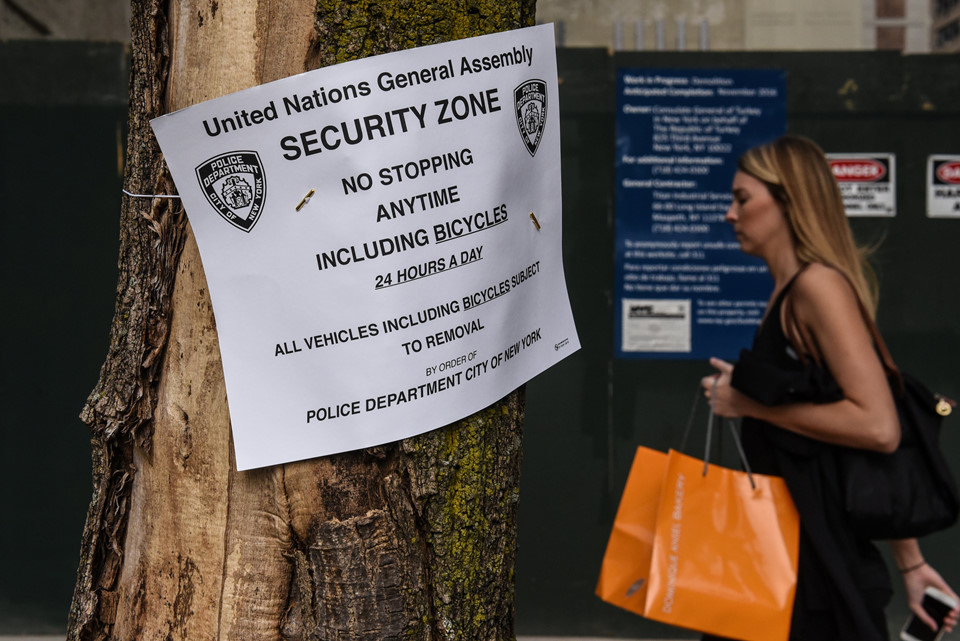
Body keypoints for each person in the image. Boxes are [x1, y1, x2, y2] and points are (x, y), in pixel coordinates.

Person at [700, 134, 960, 641]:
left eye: (742, 199)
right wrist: (911, 564)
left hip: (815, 567)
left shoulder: (816, 287)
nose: (730, 214)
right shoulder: (789, 293)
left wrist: (752, 405)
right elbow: (858, 444)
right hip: (785, 555)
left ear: (789, 202)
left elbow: (879, 427)